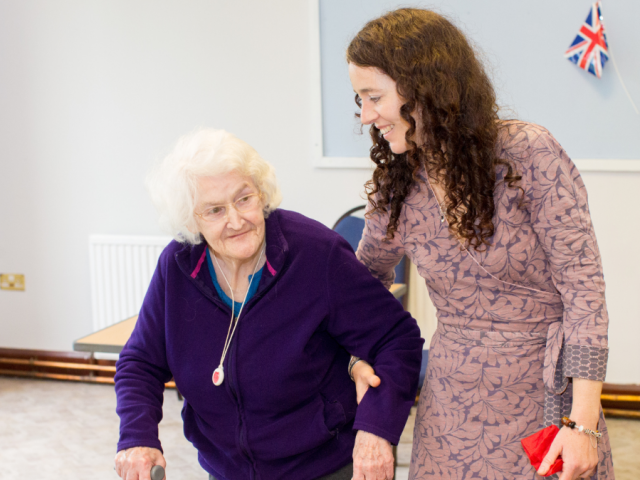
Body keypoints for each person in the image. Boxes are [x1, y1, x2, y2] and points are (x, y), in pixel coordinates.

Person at [346, 8, 614, 480]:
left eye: (374, 97)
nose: (366, 116)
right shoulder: (400, 183)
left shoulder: (528, 153)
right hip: (452, 407)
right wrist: (357, 354)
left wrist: (584, 422)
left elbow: (583, 290)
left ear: (423, 86)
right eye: (359, 100)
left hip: (544, 398)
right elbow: (361, 283)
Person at [113, 128, 423, 480]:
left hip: (323, 466)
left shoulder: (315, 253)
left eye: (244, 198)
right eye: (214, 210)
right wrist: (137, 436)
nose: (236, 219)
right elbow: (140, 362)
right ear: (190, 221)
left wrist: (375, 430)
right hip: (226, 470)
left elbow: (396, 338)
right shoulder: (178, 266)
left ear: (261, 193)